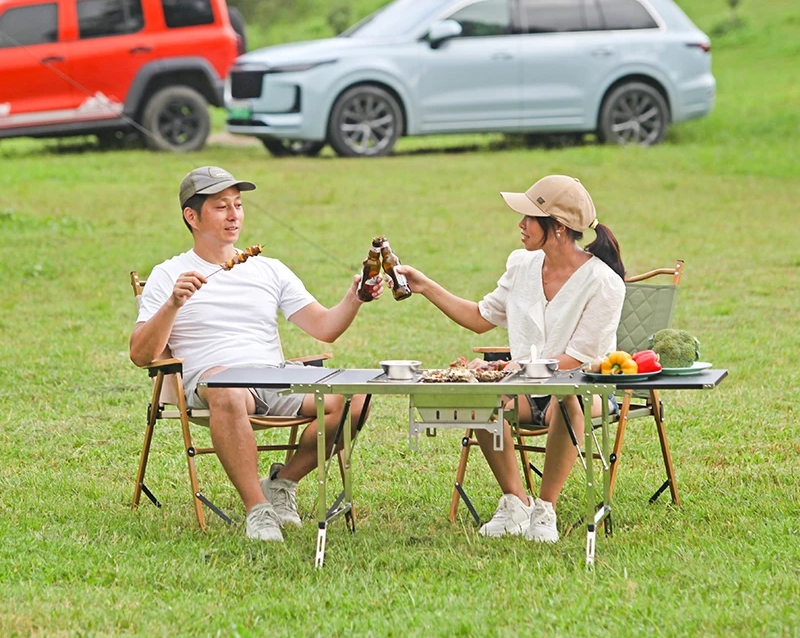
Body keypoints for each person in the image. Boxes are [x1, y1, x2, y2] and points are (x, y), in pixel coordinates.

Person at [130, 166, 380, 542]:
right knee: (227, 387)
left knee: (355, 398)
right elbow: (140, 354)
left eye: (239, 205)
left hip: (274, 378)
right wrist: (172, 304)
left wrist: (355, 296)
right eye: (221, 207)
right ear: (192, 216)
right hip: (218, 384)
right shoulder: (170, 275)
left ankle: (282, 483)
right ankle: (258, 510)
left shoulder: (268, 270)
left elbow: (325, 327)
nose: (234, 215)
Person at [395, 175, 625, 542]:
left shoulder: (604, 283)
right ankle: (516, 502)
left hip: (585, 389)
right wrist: (425, 287)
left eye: (529, 217)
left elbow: (577, 359)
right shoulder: (522, 266)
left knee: (566, 402)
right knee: (482, 398)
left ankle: (544, 510)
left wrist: (509, 368)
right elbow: (479, 318)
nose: (520, 225)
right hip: (524, 387)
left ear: (559, 227)